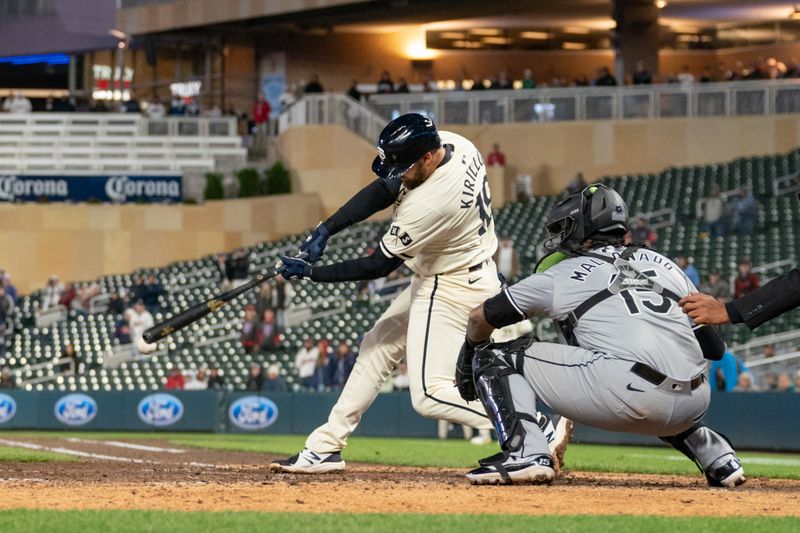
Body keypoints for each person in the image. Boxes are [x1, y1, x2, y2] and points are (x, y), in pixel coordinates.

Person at [270, 113, 570, 473]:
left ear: (427, 157)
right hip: (463, 270)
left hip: (451, 283)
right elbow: (385, 187)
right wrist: (328, 228)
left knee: (429, 396)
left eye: (403, 166)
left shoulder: (432, 202)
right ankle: (325, 447)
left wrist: (312, 273)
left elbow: (377, 267)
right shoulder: (455, 143)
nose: (396, 173)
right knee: (376, 346)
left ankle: (536, 426)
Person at [454, 183, 745, 487]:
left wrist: (470, 353)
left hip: (630, 397)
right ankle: (716, 455)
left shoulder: (562, 273)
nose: (559, 235)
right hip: (696, 401)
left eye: (564, 226)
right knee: (657, 368)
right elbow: (714, 348)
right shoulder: (668, 265)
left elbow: (480, 316)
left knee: (496, 356)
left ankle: (526, 454)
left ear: (580, 227)